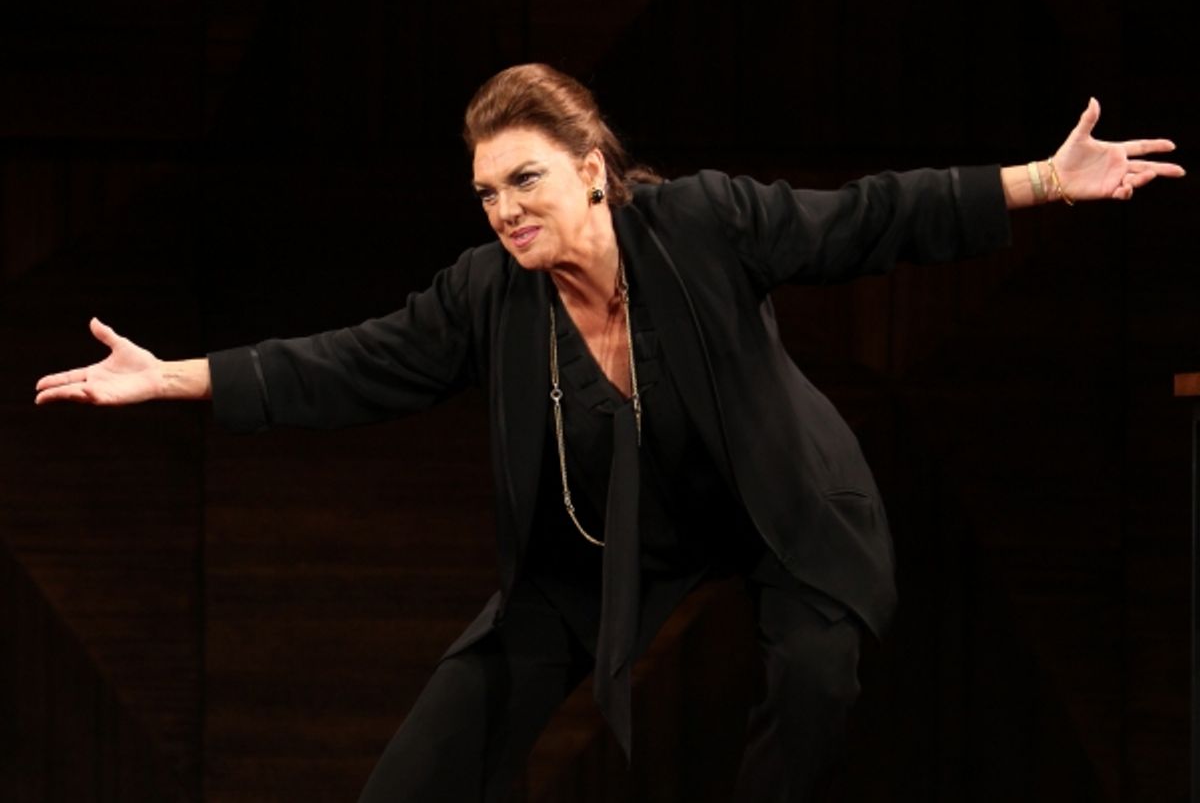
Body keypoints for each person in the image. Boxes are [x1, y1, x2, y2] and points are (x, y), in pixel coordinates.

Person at [35, 63, 1184, 802]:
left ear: (592, 171)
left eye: (525, 181)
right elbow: (357, 360)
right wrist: (174, 377)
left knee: (817, 685)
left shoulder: (700, 224)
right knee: (445, 737)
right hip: (614, 532)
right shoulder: (489, 292)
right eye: (487, 195)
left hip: (778, 495)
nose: (506, 212)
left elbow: (867, 221)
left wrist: (1040, 179)